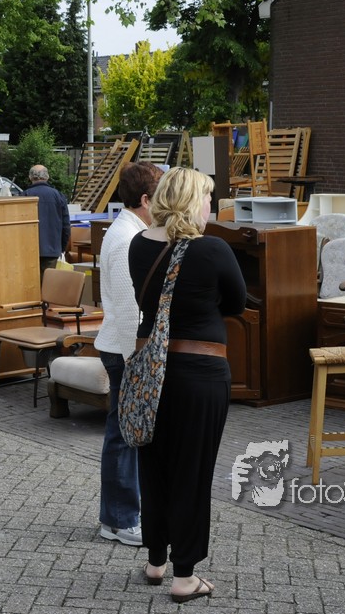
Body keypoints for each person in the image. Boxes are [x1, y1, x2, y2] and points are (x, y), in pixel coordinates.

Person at [127, 167, 246, 603]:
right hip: (199, 374)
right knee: (191, 473)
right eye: (207, 198)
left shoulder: (139, 244)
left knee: (155, 467)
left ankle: (156, 561)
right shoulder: (212, 249)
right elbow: (237, 302)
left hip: (151, 374)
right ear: (192, 202)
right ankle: (184, 577)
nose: (210, 206)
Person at [92, 161, 163, 546]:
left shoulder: (131, 231)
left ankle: (122, 515)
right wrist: (136, 362)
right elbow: (126, 308)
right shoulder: (126, 238)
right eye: (161, 196)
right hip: (123, 351)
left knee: (126, 433)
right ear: (146, 199)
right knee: (123, 435)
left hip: (123, 349)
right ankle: (119, 520)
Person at [24, 165, 70, 278]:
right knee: (49, 285)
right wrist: (62, 248)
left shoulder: (24, 195)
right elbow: (66, 226)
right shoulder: (58, 196)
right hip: (52, 250)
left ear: (30, 177)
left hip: (28, 250)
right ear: (47, 176)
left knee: (30, 284)